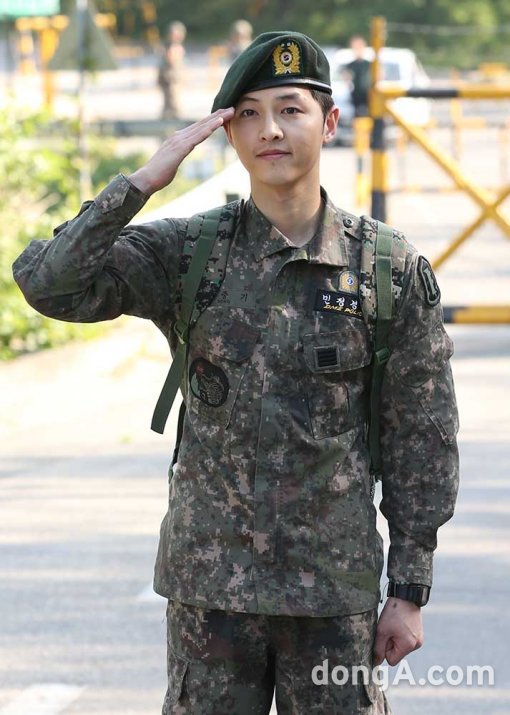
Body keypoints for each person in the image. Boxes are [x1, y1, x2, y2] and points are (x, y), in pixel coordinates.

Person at [12, 31, 459, 714]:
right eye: (248, 114)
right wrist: (141, 183)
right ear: (227, 133)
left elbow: (421, 437)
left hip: (331, 596)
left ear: (329, 122)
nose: (270, 130)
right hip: (210, 599)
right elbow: (49, 284)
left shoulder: (384, 268)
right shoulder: (191, 252)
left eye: (290, 109)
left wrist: (409, 588)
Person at [157, 20, 186, 119]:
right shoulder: (169, 46)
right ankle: (169, 118)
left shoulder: (174, 46)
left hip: (173, 77)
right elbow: (169, 59)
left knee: (173, 98)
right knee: (170, 98)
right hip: (168, 76)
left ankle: (172, 117)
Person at [346, 34, 372, 117]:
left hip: (369, 97)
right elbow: (347, 80)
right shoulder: (350, 65)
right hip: (356, 98)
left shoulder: (369, 64)